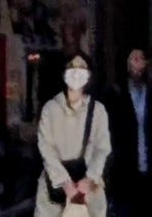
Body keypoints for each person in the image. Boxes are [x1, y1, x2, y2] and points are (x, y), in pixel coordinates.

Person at [37, 54, 112, 217]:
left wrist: (90, 178)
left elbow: (102, 148)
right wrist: (65, 182)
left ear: (89, 75)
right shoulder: (50, 108)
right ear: (64, 73)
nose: (77, 72)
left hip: (89, 191)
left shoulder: (98, 110)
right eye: (72, 67)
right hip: (54, 191)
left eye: (82, 68)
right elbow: (46, 148)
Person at [107, 51, 152, 217]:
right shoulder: (116, 94)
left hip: (151, 172)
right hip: (125, 172)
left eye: (141, 59)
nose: (138, 65)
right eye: (134, 60)